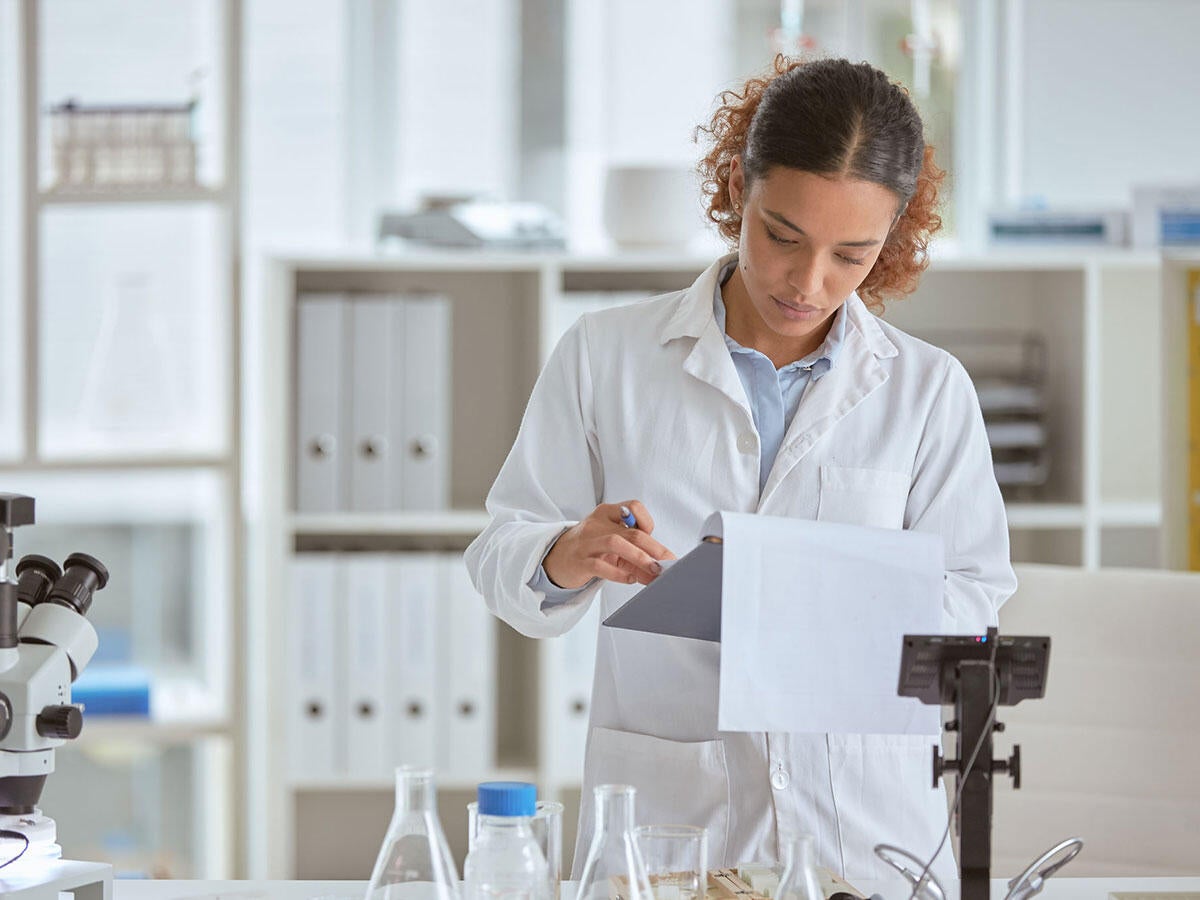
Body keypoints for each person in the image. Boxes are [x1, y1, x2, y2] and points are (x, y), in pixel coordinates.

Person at [464, 56, 1016, 885]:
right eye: (783, 237)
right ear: (736, 186)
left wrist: (806, 599)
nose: (808, 282)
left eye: (851, 255)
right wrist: (561, 556)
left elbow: (974, 600)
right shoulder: (605, 355)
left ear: (892, 236)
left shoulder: (927, 389)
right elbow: (502, 549)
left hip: (865, 834)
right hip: (673, 827)